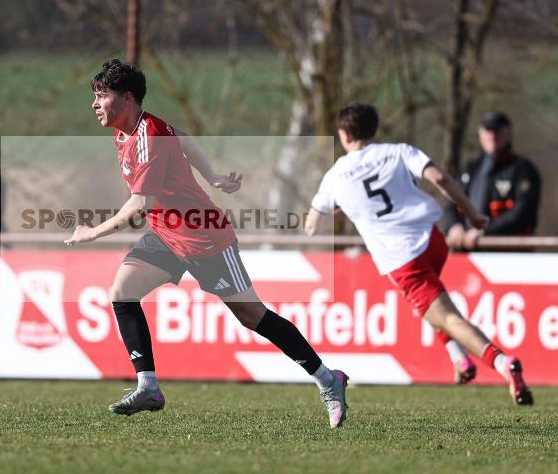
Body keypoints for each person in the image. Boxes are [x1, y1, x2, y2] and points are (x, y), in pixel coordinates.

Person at [64, 59, 350, 427]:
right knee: (122, 291)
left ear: (128, 98)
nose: (94, 103)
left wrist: (92, 232)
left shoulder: (148, 136)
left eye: (101, 95)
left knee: (253, 316)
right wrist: (212, 175)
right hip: (167, 236)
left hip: (205, 240)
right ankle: (148, 386)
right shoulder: (128, 131)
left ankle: (329, 379)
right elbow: (182, 136)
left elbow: (139, 206)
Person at [305, 102, 533, 405]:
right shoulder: (398, 151)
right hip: (432, 239)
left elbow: (314, 222)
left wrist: (330, 214)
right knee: (427, 304)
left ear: (344, 134)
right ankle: (457, 357)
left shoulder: (336, 175)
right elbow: (440, 179)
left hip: (402, 260)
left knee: (447, 316)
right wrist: (473, 214)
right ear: (374, 130)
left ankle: (503, 363)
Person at [443, 111, 541, 251]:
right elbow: (452, 202)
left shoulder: (522, 170)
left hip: (507, 255)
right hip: (468, 254)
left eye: (497, 131)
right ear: (480, 134)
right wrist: (454, 226)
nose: (492, 136)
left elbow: (523, 213)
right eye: (488, 130)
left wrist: (486, 231)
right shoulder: (470, 169)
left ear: (509, 133)